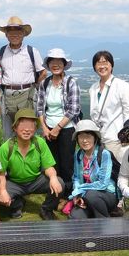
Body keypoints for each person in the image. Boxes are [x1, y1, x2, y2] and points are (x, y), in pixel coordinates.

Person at [0, 108, 64, 220]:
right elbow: (1, 174)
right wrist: (3, 191)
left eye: (31, 126)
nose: (27, 130)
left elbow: (48, 166)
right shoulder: (6, 147)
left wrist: (53, 177)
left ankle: (46, 209)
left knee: (59, 183)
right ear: (15, 128)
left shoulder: (39, 143)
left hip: (36, 181)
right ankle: (17, 204)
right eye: (22, 126)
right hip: (15, 183)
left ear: (35, 129)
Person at [34, 48, 81, 198]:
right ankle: (55, 195)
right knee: (52, 164)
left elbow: (74, 109)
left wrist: (57, 128)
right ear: (48, 65)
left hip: (67, 129)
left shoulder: (71, 83)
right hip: (48, 129)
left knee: (67, 164)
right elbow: (40, 107)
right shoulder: (45, 83)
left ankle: (67, 195)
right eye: (52, 62)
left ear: (64, 64)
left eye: (59, 62)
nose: (55, 64)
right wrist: (44, 128)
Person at [0, 16, 46, 138]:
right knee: (8, 132)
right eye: (11, 32)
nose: (14, 35)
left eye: (18, 32)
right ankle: (10, 155)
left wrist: (34, 85)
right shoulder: (2, 51)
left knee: (27, 130)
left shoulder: (31, 51)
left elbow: (43, 72)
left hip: (27, 94)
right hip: (7, 95)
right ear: (6, 35)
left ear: (23, 34)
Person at [89, 50, 129, 162]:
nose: (102, 66)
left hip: (116, 137)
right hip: (99, 138)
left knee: (116, 171)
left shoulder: (121, 85)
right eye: (98, 63)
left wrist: (126, 135)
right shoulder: (93, 88)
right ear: (94, 67)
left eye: (105, 62)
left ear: (111, 65)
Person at [68, 120, 119, 219]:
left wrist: (81, 190)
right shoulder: (78, 154)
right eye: (81, 137)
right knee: (75, 216)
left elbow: (103, 184)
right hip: (86, 194)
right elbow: (76, 178)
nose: (84, 140)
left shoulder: (104, 154)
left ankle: (104, 222)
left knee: (92, 196)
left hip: (106, 195)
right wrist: (78, 195)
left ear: (95, 137)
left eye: (88, 136)